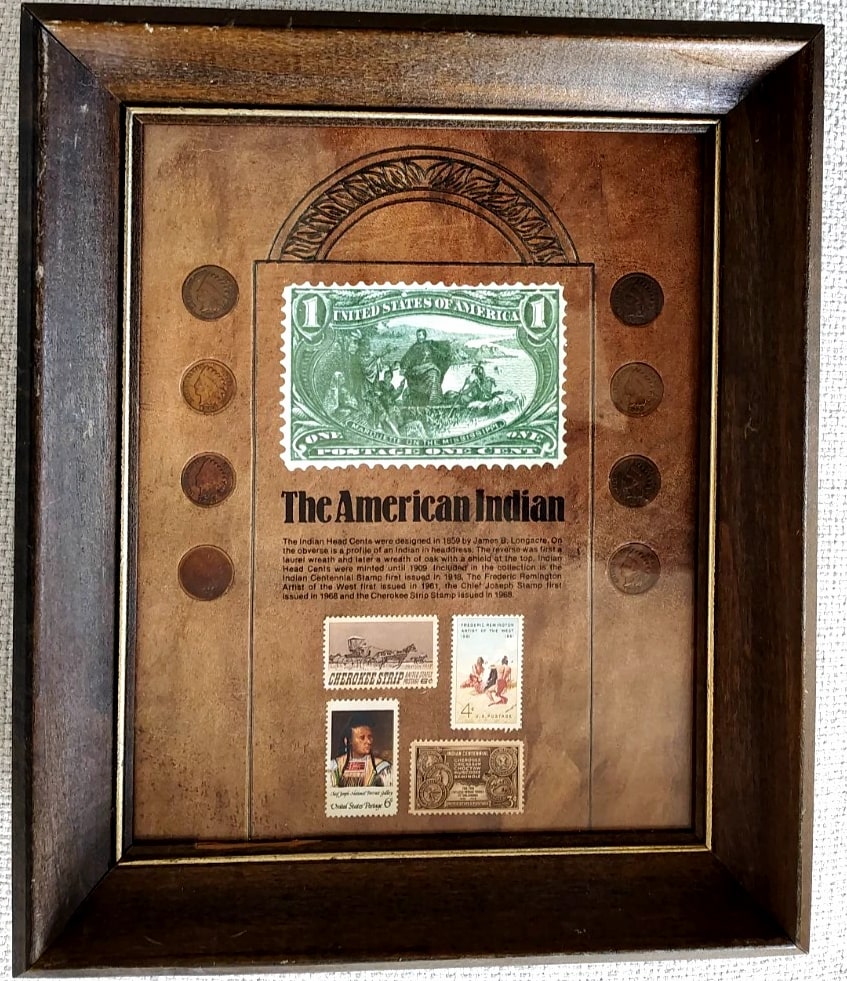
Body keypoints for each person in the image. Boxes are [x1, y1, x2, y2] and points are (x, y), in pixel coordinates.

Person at [329, 713, 393, 787]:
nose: (368, 741)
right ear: (348, 741)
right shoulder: (334, 766)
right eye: (362, 737)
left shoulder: (382, 767)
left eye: (370, 737)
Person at [399, 328, 452, 405]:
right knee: (433, 372)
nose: (419, 337)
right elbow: (407, 358)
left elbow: (439, 351)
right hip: (418, 372)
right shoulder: (414, 347)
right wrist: (404, 368)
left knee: (434, 374)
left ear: (424, 336)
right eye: (418, 335)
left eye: (421, 335)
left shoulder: (430, 345)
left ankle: (434, 398)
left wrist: (447, 349)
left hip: (430, 369)